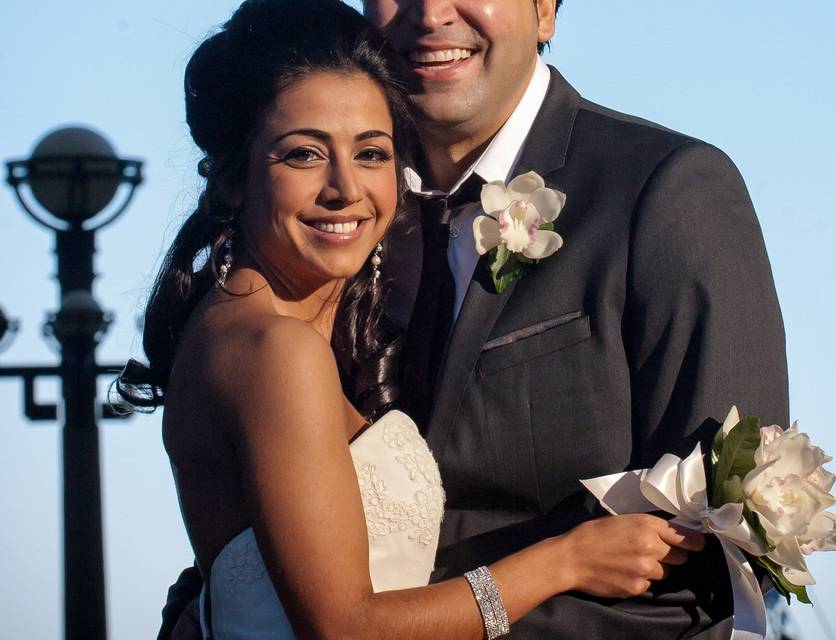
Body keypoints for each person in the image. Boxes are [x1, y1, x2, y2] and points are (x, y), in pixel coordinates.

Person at [130, 1, 706, 639]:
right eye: (303, 155)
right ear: (234, 178)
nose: (344, 188)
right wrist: (564, 560)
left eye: (372, 153)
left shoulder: (290, 320)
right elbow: (346, 627)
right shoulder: (273, 348)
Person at [361, 0, 790, 638]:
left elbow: (712, 554)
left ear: (544, 12)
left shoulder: (667, 190)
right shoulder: (338, 212)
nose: (428, 12)